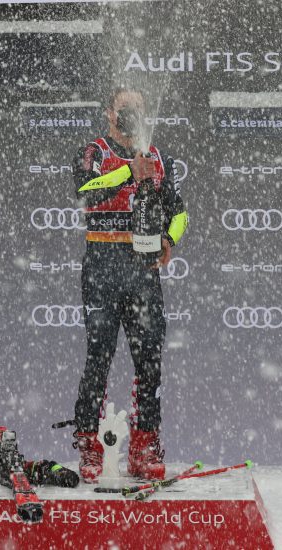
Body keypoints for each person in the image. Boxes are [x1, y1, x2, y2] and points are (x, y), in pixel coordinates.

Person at [70, 88, 189, 482]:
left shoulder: (157, 158)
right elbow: (85, 195)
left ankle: (145, 443)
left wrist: (169, 240)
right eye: (125, 109)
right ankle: (89, 441)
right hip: (102, 265)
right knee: (98, 355)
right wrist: (126, 174)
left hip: (142, 268)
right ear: (110, 113)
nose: (132, 114)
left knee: (150, 359)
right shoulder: (95, 152)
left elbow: (180, 213)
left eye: (139, 108)